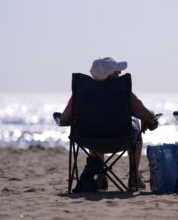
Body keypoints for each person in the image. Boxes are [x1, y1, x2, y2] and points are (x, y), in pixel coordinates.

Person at [60, 57, 158, 190]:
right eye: (116, 71)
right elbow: (146, 115)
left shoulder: (82, 91)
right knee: (135, 124)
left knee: (93, 128)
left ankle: (100, 175)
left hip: (90, 140)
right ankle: (134, 175)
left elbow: (64, 119)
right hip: (122, 138)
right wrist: (151, 119)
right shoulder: (122, 90)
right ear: (109, 74)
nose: (119, 73)